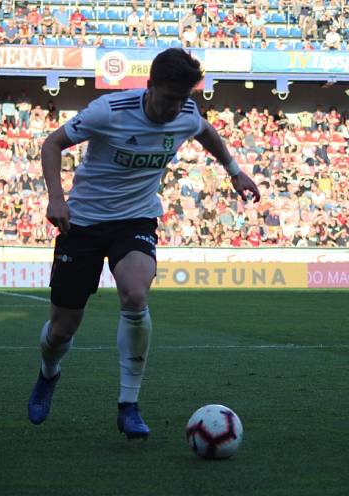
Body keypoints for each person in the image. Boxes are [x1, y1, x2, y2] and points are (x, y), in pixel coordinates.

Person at [27, 48, 260, 438]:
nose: (175, 108)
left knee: (135, 295)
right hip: (83, 223)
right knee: (62, 329)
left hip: (135, 219)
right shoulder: (109, 111)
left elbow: (205, 131)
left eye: (183, 99)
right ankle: (49, 374)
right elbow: (51, 144)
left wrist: (235, 172)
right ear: (149, 86)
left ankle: (128, 405)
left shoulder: (186, 114)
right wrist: (56, 197)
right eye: (169, 98)